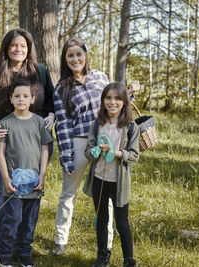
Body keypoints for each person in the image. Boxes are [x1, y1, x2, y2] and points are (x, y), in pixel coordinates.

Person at [0, 28, 55, 259]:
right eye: (13, 45)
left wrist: (51, 115)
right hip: (7, 140)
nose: (18, 49)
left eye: (23, 45)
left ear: (29, 48)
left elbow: (52, 101)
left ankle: (23, 245)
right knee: (6, 189)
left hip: (38, 140)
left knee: (31, 190)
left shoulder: (39, 72)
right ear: (6, 48)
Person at [52, 37, 115, 255]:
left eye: (79, 54)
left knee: (104, 195)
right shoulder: (61, 88)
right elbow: (62, 126)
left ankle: (106, 243)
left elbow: (112, 104)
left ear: (85, 55)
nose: (75, 59)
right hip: (78, 143)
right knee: (69, 192)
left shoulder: (100, 77)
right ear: (65, 59)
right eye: (70, 55)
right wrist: (67, 157)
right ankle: (61, 240)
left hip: (103, 143)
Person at [0, 77, 53, 267]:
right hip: (14, 184)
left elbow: (45, 149)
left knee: (29, 222)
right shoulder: (5, 123)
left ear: (32, 99)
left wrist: (42, 175)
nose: (21, 99)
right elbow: (0, 153)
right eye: (17, 96)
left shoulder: (38, 122)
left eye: (25, 96)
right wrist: (5, 179)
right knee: (12, 219)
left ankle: (24, 252)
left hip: (34, 183)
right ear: (11, 99)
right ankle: (4, 253)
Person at [83, 82, 139, 267]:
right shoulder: (97, 124)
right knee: (101, 219)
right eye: (108, 98)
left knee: (122, 222)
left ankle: (129, 261)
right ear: (103, 100)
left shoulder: (130, 127)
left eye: (117, 98)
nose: (112, 102)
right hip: (99, 178)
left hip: (119, 182)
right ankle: (102, 257)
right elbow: (88, 150)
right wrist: (97, 151)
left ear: (124, 101)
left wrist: (116, 153)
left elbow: (134, 155)